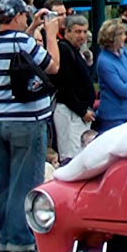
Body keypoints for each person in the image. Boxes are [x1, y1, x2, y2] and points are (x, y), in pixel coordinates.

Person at [0, 0, 59, 252]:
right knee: (25, 183)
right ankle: (21, 243)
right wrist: (50, 34)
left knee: (5, 182)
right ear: (16, 17)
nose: (27, 19)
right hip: (27, 120)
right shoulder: (24, 42)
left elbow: (17, 55)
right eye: (25, 16)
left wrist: (31, 30)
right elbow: (53, 66)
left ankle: (6, 241)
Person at [52, 14, 95, 161]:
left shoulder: (77, 52)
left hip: (80, 113)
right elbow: (65, 86)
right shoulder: (64, 50)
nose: (81, 36)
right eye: (77, 32)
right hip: (70, 112)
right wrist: (82, 111)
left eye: (84, 31)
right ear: (67, 32)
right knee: (72, 156)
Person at [93, 19, 127, 131]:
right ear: (112, 38)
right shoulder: (104, 61)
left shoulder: (124, 52)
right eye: (122, 35)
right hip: (112, 117)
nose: (125, 38)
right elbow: (124, 91)